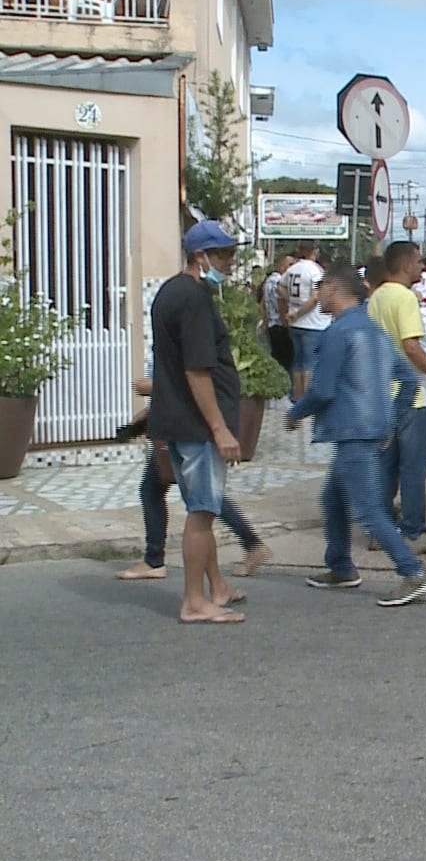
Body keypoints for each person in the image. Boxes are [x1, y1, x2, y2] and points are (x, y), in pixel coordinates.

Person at [292, 261, 426, 605]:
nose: (318, 296)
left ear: (332, 288)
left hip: (351, 429)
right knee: (333, 499)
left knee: (369, 508)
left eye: (321, 288)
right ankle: (341, 565)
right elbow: (407, 380)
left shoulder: (337, 333)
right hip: (369, 427)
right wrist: (390, 418)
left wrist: (296, 412)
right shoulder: (373, 331)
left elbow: (323, 389)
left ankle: (412, 571)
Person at [147, 220, 250, 624]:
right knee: (202, 512)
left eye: (230, 254)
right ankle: (194, 600)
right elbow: (197, 370)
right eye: (222, 255)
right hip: (196, 424)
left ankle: (216, 586)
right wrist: (220, 428)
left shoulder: (176, 291)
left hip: (181, 419)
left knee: (201, 507)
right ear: (199, 256)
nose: (229, 263)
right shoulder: (192, 298)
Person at [119, 375, 271, 584]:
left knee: (202, 495)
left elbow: (195, 379)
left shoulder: (187, 342)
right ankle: (155, 560)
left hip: (188, 426)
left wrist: (156, 388)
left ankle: (248, 547)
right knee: (157, 490)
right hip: (175, 422)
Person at [366, 240, 426, 555]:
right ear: (406, 265)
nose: (423, 268)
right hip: (413, 396)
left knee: (386, 468)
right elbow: (411, 346)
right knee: (413, 468)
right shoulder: (404, 298)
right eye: (419, 262)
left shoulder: (376, 297)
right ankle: (414, 533)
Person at [283, 239, 329, 402]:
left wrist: (292, 303)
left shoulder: (292, 269)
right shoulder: (315, 271)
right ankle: (308, 398)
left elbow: (280, 287)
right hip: (313, 323)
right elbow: (315, 297)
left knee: (298, 360)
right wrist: (300, 312)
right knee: (311, 361)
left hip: (296, 324)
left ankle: (298, 394)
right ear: (314, 250)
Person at [263, 252, 294, 376]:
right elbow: (281, 305)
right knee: (286, 361)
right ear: (282, 266)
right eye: (290, 264)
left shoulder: (268, 281)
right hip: (280, 325)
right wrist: (288, 324)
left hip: (271, 323)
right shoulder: (279, 282)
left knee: (277, 357)